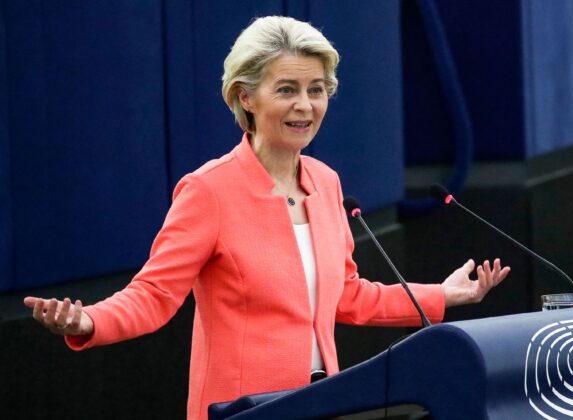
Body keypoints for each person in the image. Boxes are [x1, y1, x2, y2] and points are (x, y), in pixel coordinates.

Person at [23, 16, 510, 420]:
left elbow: (348, 295)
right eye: (287, 89)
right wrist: (86, 322)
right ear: (245, 98)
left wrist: (443, 296)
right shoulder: (208, 190)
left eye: (317, 89)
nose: (305, 105)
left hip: (324, 405)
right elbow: (153, 296)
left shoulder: (326, 182)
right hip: (244, 411)